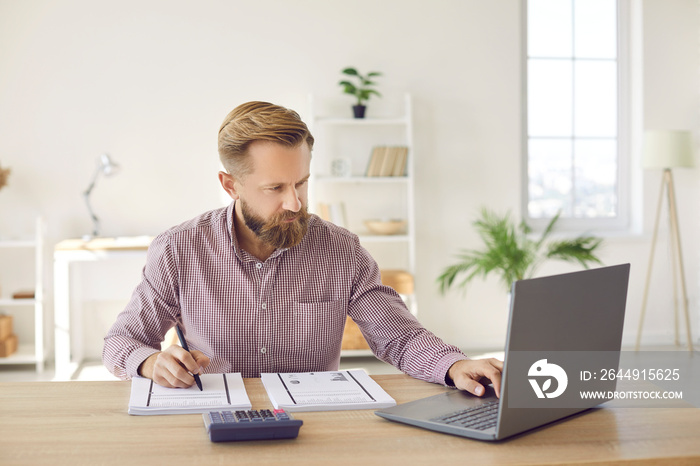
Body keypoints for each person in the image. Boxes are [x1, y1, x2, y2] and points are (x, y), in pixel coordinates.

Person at [103, 101, 502, 397]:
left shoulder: (342, 251)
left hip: (315, 424)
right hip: (214, 416)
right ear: (231, 185)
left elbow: (398, 336)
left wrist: (454, 364)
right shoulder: (180, 250)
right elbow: (121, 340)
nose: (295, 203)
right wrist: (150, 361)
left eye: (302, 182)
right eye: (275, 188)